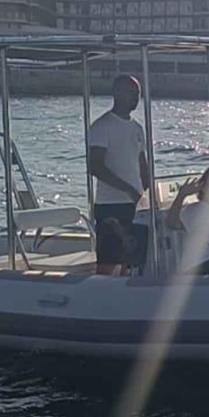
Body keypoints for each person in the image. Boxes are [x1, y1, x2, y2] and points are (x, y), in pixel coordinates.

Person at [86, 75, 149, 274]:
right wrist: (128, 189)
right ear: (117, 93)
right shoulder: (102, 126)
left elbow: (141, 163)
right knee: (109, 259)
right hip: (110, 205)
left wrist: (146, 192)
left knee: (130, 260)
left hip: (136, 204)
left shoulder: (137, 128)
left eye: (137, 93)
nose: (135, 97)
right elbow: (95, 166)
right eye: (130, 92)